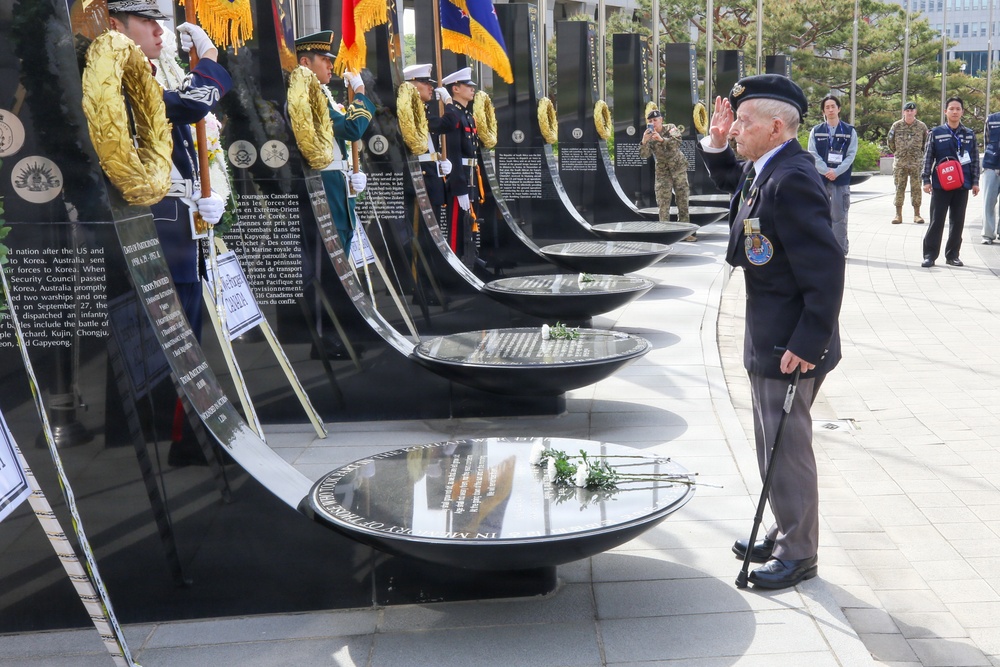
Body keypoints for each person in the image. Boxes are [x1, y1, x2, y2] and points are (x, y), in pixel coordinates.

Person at [697, 74, 845, 590]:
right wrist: (716, 145)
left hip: (790, 343)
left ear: (775, 127)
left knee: (787, 447)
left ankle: (799, 553)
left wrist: (807, 344)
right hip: (770, 333)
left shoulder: (793, 178)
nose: (735, 128)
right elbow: (734, 193)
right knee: (769, 444)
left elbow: (826, 268)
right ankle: (784, 530)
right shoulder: (769, 167)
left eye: (743, 122)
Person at [107, 1, 232, 467]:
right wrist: (212, 65)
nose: (159, 31)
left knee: (188, 332)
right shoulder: (116, 77)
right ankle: (182, 438)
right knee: (174, 334)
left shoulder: (151, 73)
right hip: (158, 225)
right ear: (116, 26)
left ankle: (191, 436)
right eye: (146, 22)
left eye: (159, 21)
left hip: (180, 220)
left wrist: (205, 192)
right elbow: (185, 106)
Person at [294, 31, 373, 249]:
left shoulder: (319, 94)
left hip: (338, 190)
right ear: (305, 62)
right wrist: (359, 91)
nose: (331, 66)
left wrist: (350, 170)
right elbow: (352, 128)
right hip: (327, 192)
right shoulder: (307, 98)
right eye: (325, 59)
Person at [921, 96, 980, 267]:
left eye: (958, 109)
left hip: (963, 184)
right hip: (941, 185)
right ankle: (930, 255)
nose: (954, 112)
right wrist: (926, 180)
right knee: (936, 220)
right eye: (951, 108)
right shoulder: (936, 133)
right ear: (945, 111)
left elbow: (975, 159)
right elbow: (928, 157)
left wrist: (975, 182)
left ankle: (952, 255)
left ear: (962, 112)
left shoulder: (969, 134)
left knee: (958, 221)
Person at [437, 66, 480, 264]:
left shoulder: (467, 115)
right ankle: (455, 263)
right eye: (468, 86)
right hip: (459, 177)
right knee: (456, 228)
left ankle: (468, 261)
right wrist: (459, 186)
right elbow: (453, 153)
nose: (472, 89)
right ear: (455, 88)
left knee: (468, 224)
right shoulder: (454, 115)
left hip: (470, 175)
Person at [808, 95, 857, 256]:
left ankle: (839, 250)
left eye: (833, 106)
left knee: (839, 217)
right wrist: (825, 170)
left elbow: (850, 155)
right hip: (821, 180)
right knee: (819, 216)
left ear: (839, 109)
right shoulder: (816, 131)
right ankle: (822, 249)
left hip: (840, 180)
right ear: (823, 110)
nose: (830, 109)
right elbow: (812, 153)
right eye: (827, 107)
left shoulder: (850, 131)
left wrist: (836, 172)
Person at [402, 63, 453, 209]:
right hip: (421, 179)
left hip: (431, 177)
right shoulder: (411, 113)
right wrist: (448, 101)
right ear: (411, 86)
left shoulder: (424, 110)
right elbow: (449, 124)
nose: (431, 87)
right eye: (425, 83)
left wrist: (438, 159)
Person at [639, 110, 693, 240]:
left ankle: (686, 232)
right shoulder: (649, 136)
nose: (653, 123)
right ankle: (665, 232)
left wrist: (662, 140)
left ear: (661, 120)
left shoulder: (671, 128)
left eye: (655, 120)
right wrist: (644, 142)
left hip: (678, 168)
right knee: (663, 201)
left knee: (682, 199)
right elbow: (644, 155)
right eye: (650, 121)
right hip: (662, 171)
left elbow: (677, 142)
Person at [887, 102, 928, 224]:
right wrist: (899, 153)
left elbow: (926, 144)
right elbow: (890, 142)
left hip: (916, 163)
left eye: (912, 111)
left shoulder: (921, 126)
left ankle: (917, 214)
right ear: (903, 112)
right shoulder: (896, 126)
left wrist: (919, 156)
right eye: (907, 111)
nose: (909, 113)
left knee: (916, 188)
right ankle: (898, 214)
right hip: (900, 163)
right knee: (899, 188)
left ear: (915, 112)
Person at [980, 108, 1000, 244]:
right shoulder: (991, 119)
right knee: (988, 202)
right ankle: (988, 234)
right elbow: (987, 142)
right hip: (991, 164)